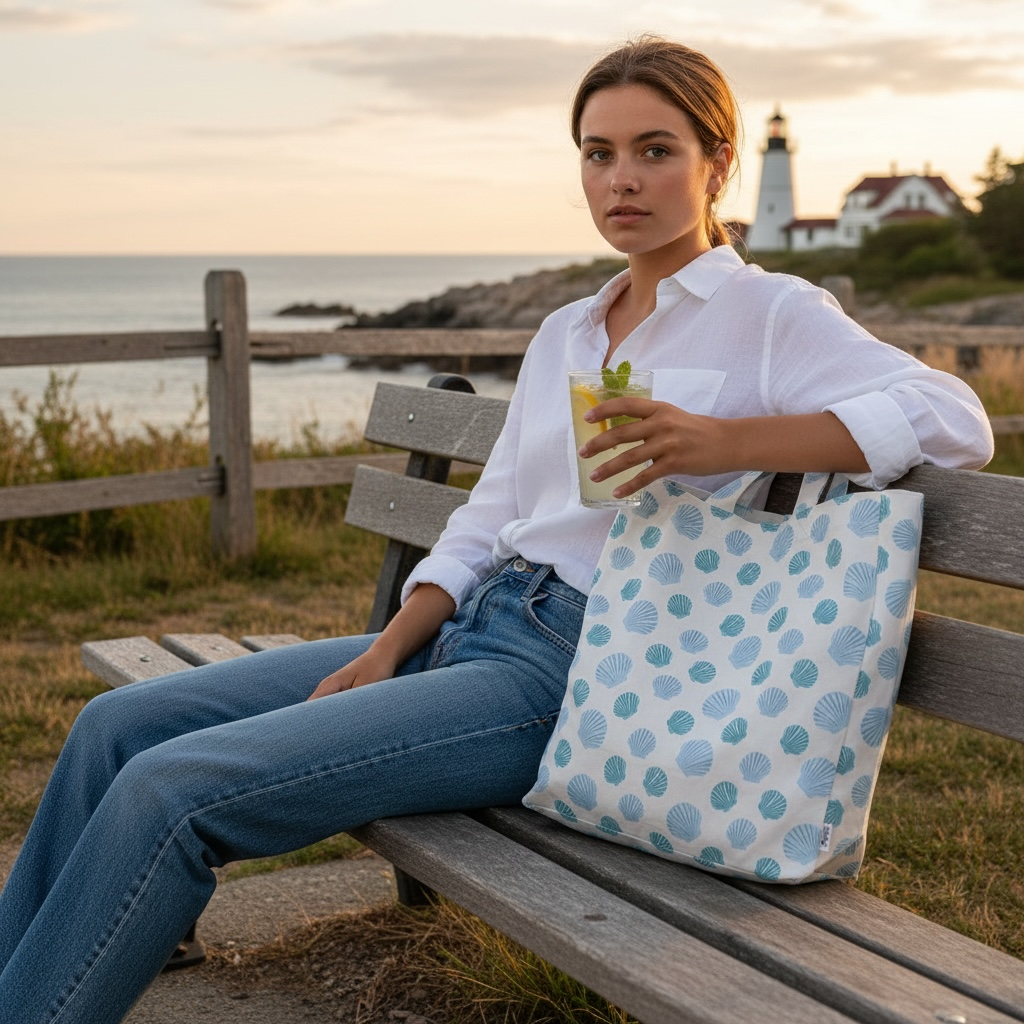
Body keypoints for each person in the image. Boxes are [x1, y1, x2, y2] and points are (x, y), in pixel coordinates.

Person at [0, 35, 993, 1024]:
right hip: (473, 628)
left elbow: (956, 420)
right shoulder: (567, 328)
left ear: (719, 163)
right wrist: (393, 641)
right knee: (116, 727)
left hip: (581, 674)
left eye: (655, 150)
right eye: (597, 153)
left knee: (173, 791)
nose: (622, 179)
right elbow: (492, 511)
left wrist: (724, 437)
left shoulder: (771, 314)